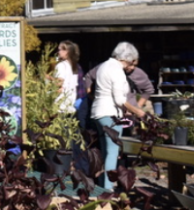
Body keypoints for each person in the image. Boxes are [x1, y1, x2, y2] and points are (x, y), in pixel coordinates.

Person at [89, 42, 147, 191]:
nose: (133, 67)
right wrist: (137, 111)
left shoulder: (104, 66)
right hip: (109, 113)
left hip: (98, 112)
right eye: (133, 63)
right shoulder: (117, 70)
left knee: (105, 151)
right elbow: (120, 99)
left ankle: (101, 187)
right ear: (129, 59)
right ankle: (108, 190)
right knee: (113, 152)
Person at [53, 41, 82, 116]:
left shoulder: (61, 66)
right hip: (70, 106)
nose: (58, 52)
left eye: (60, 50)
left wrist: (49, 78)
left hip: (60, 106)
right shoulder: (74, 66)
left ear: (67, 51)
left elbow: (59, 83)